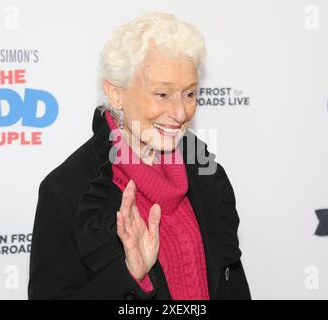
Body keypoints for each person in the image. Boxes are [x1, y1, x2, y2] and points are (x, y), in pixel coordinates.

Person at [28, 11, 251, 300]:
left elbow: (232, 283)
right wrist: (128, 277)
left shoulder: (205, 171)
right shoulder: (68, 191)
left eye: (190, 94)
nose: (181, 113)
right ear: (116, 93)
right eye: (162, 94)